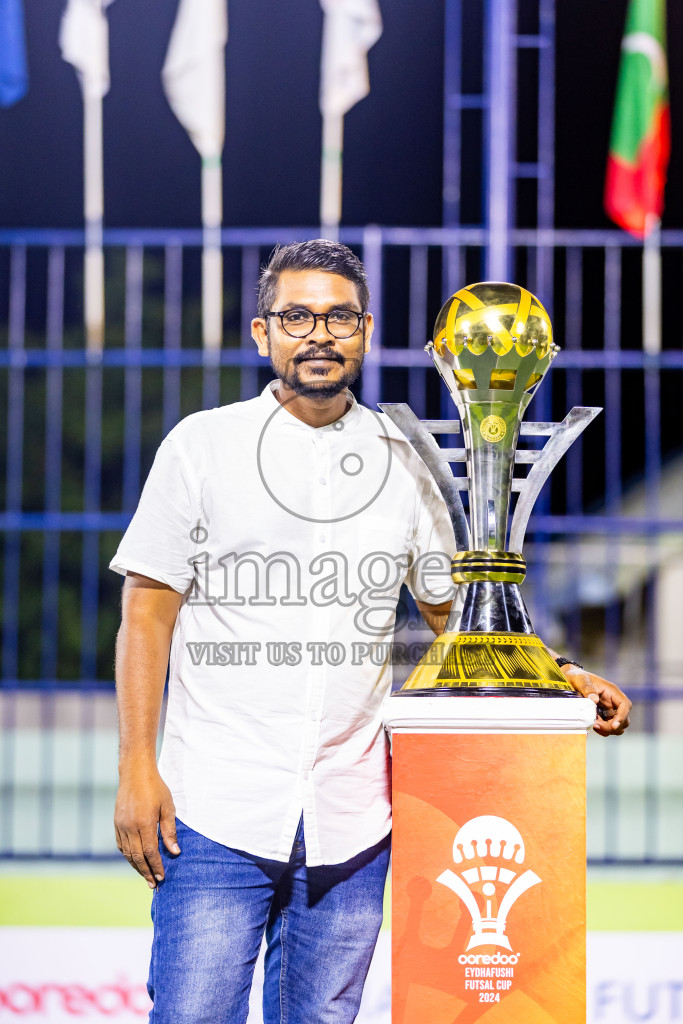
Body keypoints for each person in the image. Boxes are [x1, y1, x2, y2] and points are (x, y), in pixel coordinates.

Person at [111, 239, 631, 1024]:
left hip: (352, 816)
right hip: (213, 808)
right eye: (296, 316)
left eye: (338, 317)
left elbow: (452, 611)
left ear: (365, 331)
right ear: (262, 333)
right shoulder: (202, 446)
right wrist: (135, 770)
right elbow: (147, 611)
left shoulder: (405, 456)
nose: (318, 333)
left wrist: (558, 675)